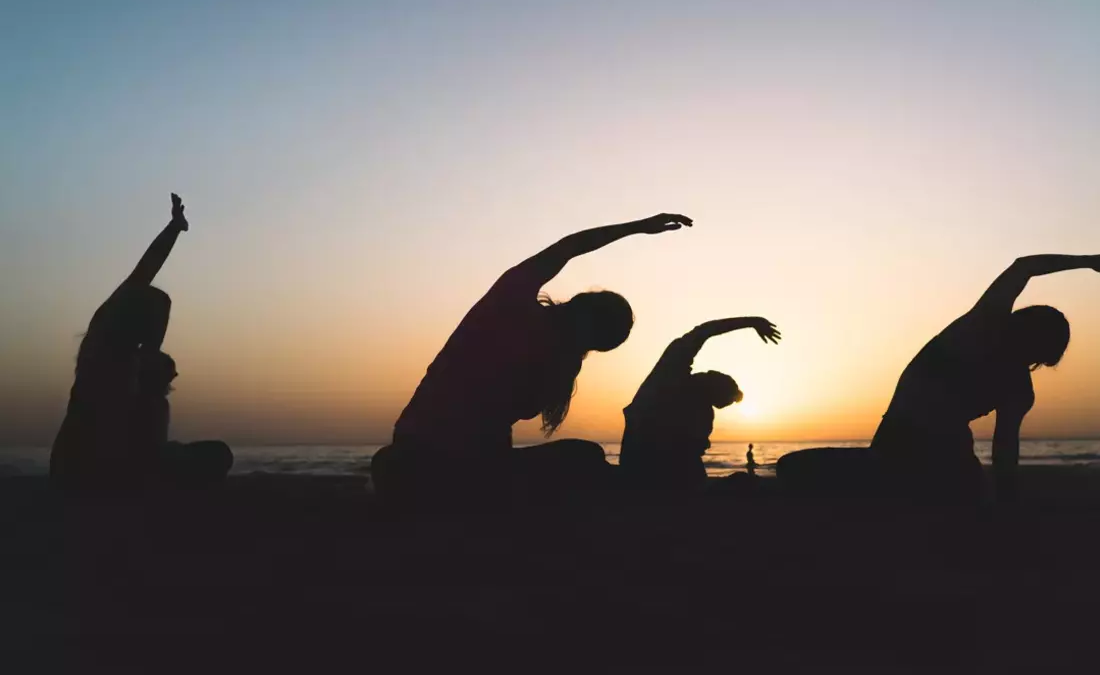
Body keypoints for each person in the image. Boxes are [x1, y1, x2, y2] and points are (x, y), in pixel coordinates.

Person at [372, 212, 694, 505]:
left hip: (419, 446)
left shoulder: (513, 303)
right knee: (586, 459)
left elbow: (568, 247)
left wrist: (638, 227)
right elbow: (569, 246)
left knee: (584, 462)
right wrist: (639, 227)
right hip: (457, 466)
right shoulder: (523, 317)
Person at [779, 254, 1095, 503]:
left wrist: (1006, 504)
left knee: (952, 491)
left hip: (946, 454)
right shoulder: (982, 326)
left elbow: (1005, 449)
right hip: (898, 440)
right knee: (795, 468)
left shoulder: (1017, 389)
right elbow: (1025, 266)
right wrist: (1089, 261)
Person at [50, 193, 231, 491]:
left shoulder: (102, 330)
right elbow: (142, 439)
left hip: (70, 467)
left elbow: (143, 272)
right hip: (98, 470)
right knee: (216, 454)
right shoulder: (119, 366)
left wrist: (174, 228)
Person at [618, 317, 780, 491]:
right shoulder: (670, 373)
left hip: (670, 473)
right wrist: (752, 321)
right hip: (647, 473)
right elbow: (704, 330)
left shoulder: (702, 410)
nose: (706, 444)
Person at [131, 348, 233, 489]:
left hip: (157, 458)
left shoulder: (154, 402)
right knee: (219, 452)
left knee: (220, 451)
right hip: (150, 463)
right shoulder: (146, 403)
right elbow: (150, 449)